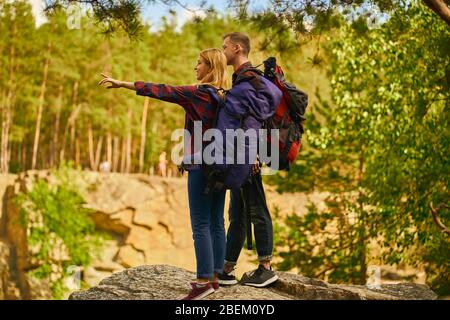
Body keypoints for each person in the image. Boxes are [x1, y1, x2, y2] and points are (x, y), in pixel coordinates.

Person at [98, 48, 229, 300]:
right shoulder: (225, 96)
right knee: (216, 222)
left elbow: (160, 89)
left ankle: (203, 282)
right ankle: (214, 277)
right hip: (222, 166)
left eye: (199, 63)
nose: (195, 68)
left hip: (201, 164)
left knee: (200, 223)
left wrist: (123, 83)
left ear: (210, 67)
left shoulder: (197, 94)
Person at [218, 32, 279, 287]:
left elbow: (260, 114)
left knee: (256, 207)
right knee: (238, 212)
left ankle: (266, 268)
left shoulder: (251, 79)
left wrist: (253, 151)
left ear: (237, 47)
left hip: (249, 155)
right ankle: (227, 268)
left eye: (225, 48)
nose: (222, 52)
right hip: (242, 154)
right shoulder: (242, 79)